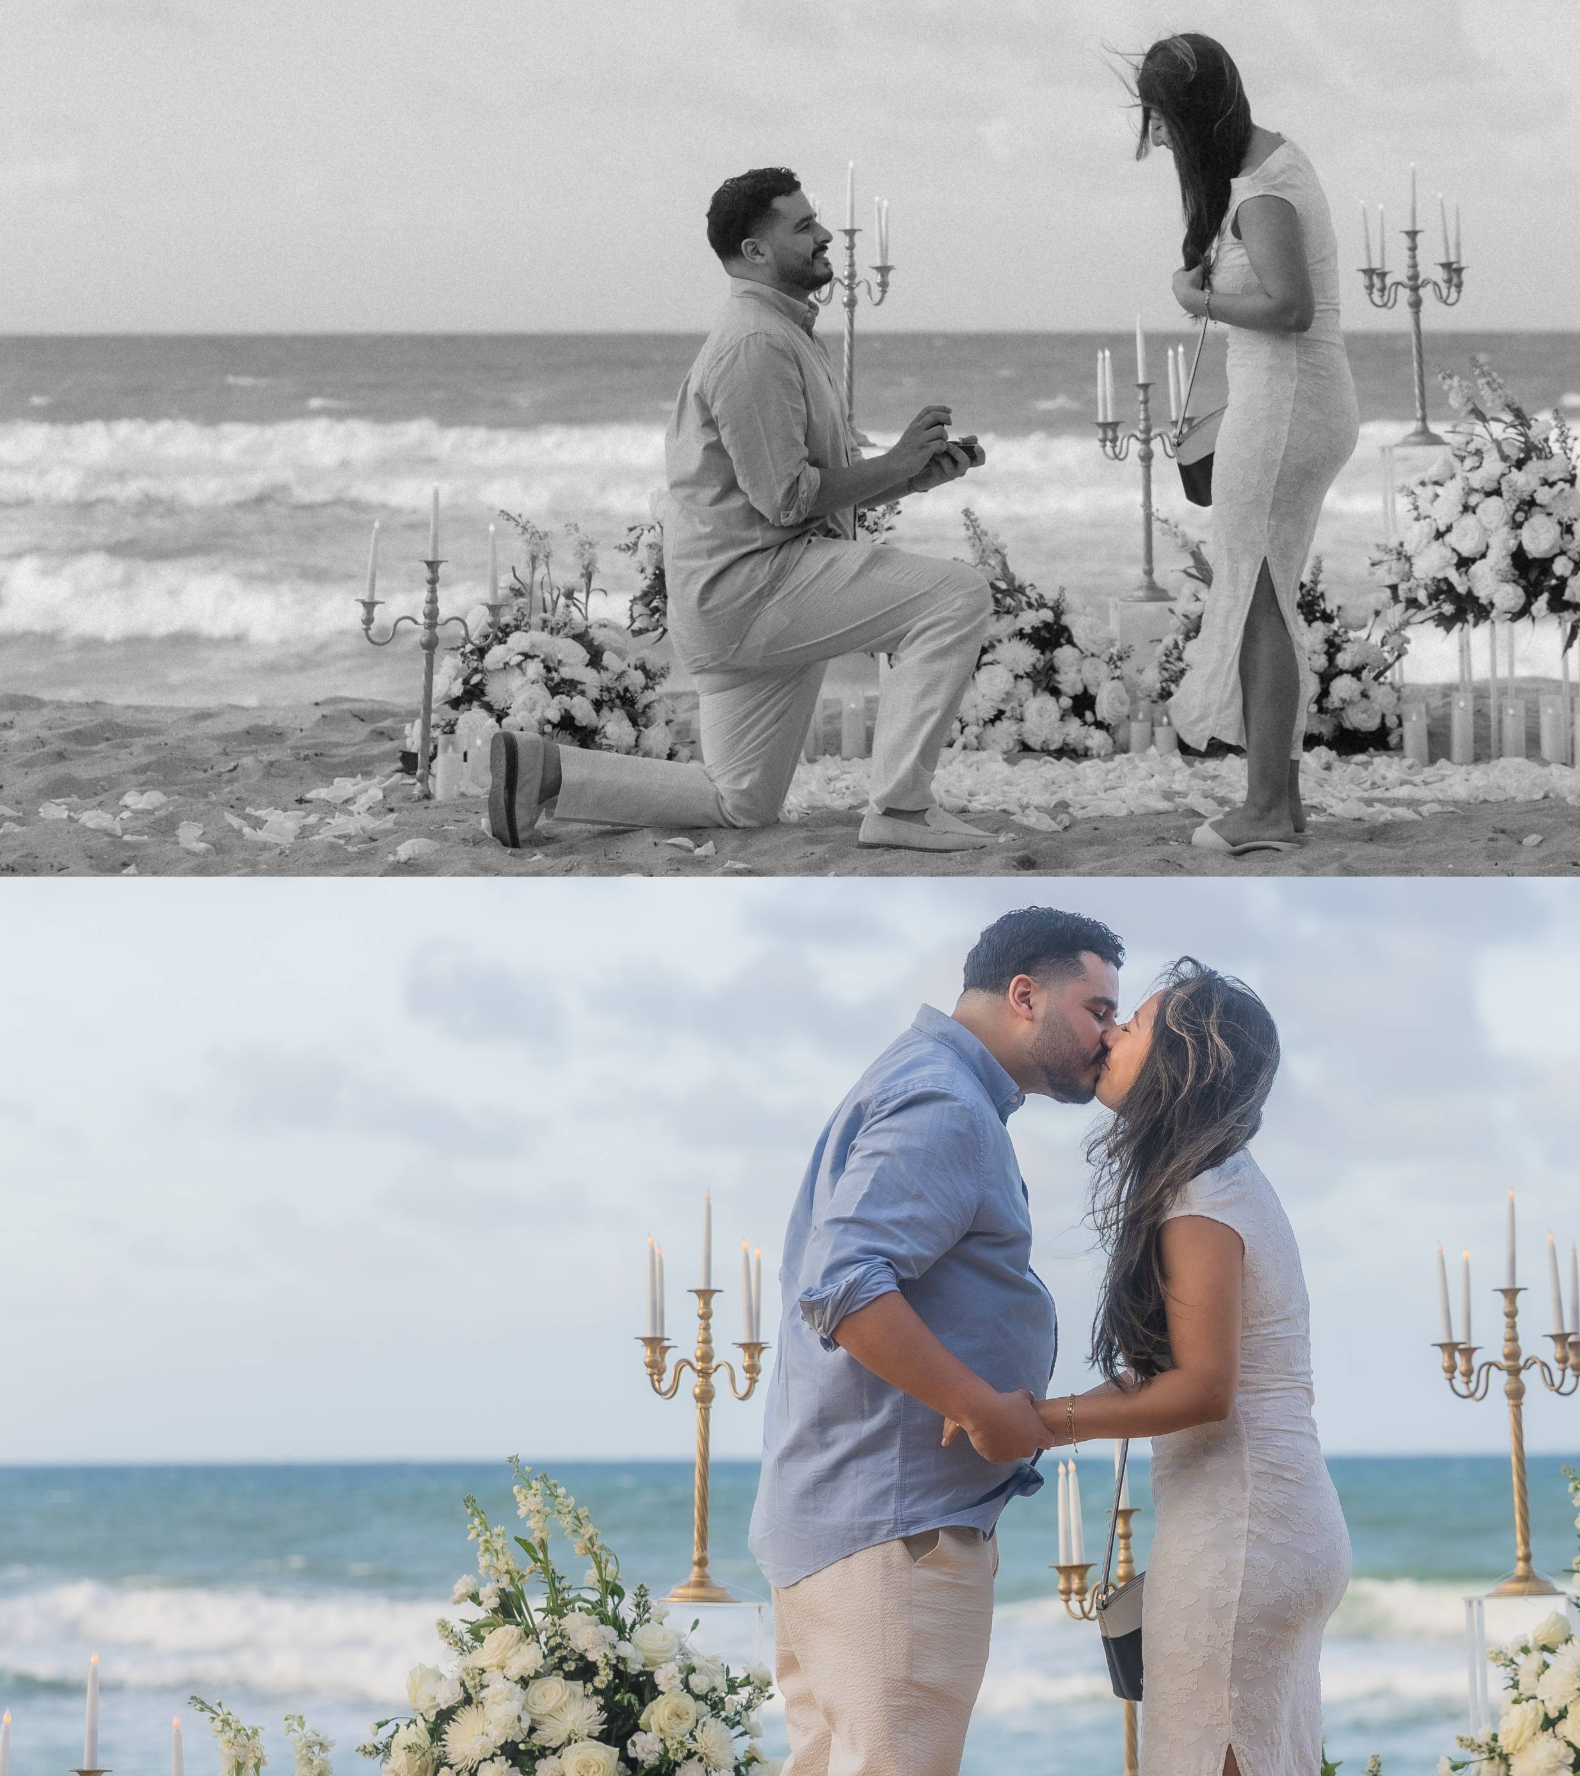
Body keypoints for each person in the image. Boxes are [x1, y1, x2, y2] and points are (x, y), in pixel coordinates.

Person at [485, 166, 998, 854]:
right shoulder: (756, 343)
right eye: (805, 226)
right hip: (757, 591)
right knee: (956, 596)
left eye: (818, 222)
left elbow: (792, 489)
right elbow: (787, 501)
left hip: (739, 601)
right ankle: (902, 810)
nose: (824, 239)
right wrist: (898, 462)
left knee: (741, 802)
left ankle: (545, 770)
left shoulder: (776, 331)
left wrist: (909, 478)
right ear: (755, 252)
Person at [751, 906, 1127, 1776]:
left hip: (847, 1525)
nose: (1107, 1036)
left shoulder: (926, 1081)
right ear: (1024, 995)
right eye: (1098, 1010)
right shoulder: (947, 1102)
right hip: (894, 1531)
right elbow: (843, 1285)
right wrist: (980, 1408)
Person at [1033, 957, 1351, 1776]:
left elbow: (1203, 1389)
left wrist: (1045, 1422)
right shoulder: (1222, 1182)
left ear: (1181, 1062)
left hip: (1243, 1532)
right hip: (1273, 1520)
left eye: (1131, 1025)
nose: (1109, 1034)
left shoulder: (1203, 1197)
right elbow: (1167, 1377)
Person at [1136, 34, 1359, 854]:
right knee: (1266, 596)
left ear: (1190, 116)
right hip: (1296, 401)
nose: (1157, 140)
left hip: (1288, 405)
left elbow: (1291, 309)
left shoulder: (1262, 192)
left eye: (1160, 123)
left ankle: (1264, 808)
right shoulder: (1266, 167)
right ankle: (1281, 802)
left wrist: (1199, 304)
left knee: (1257, 600)